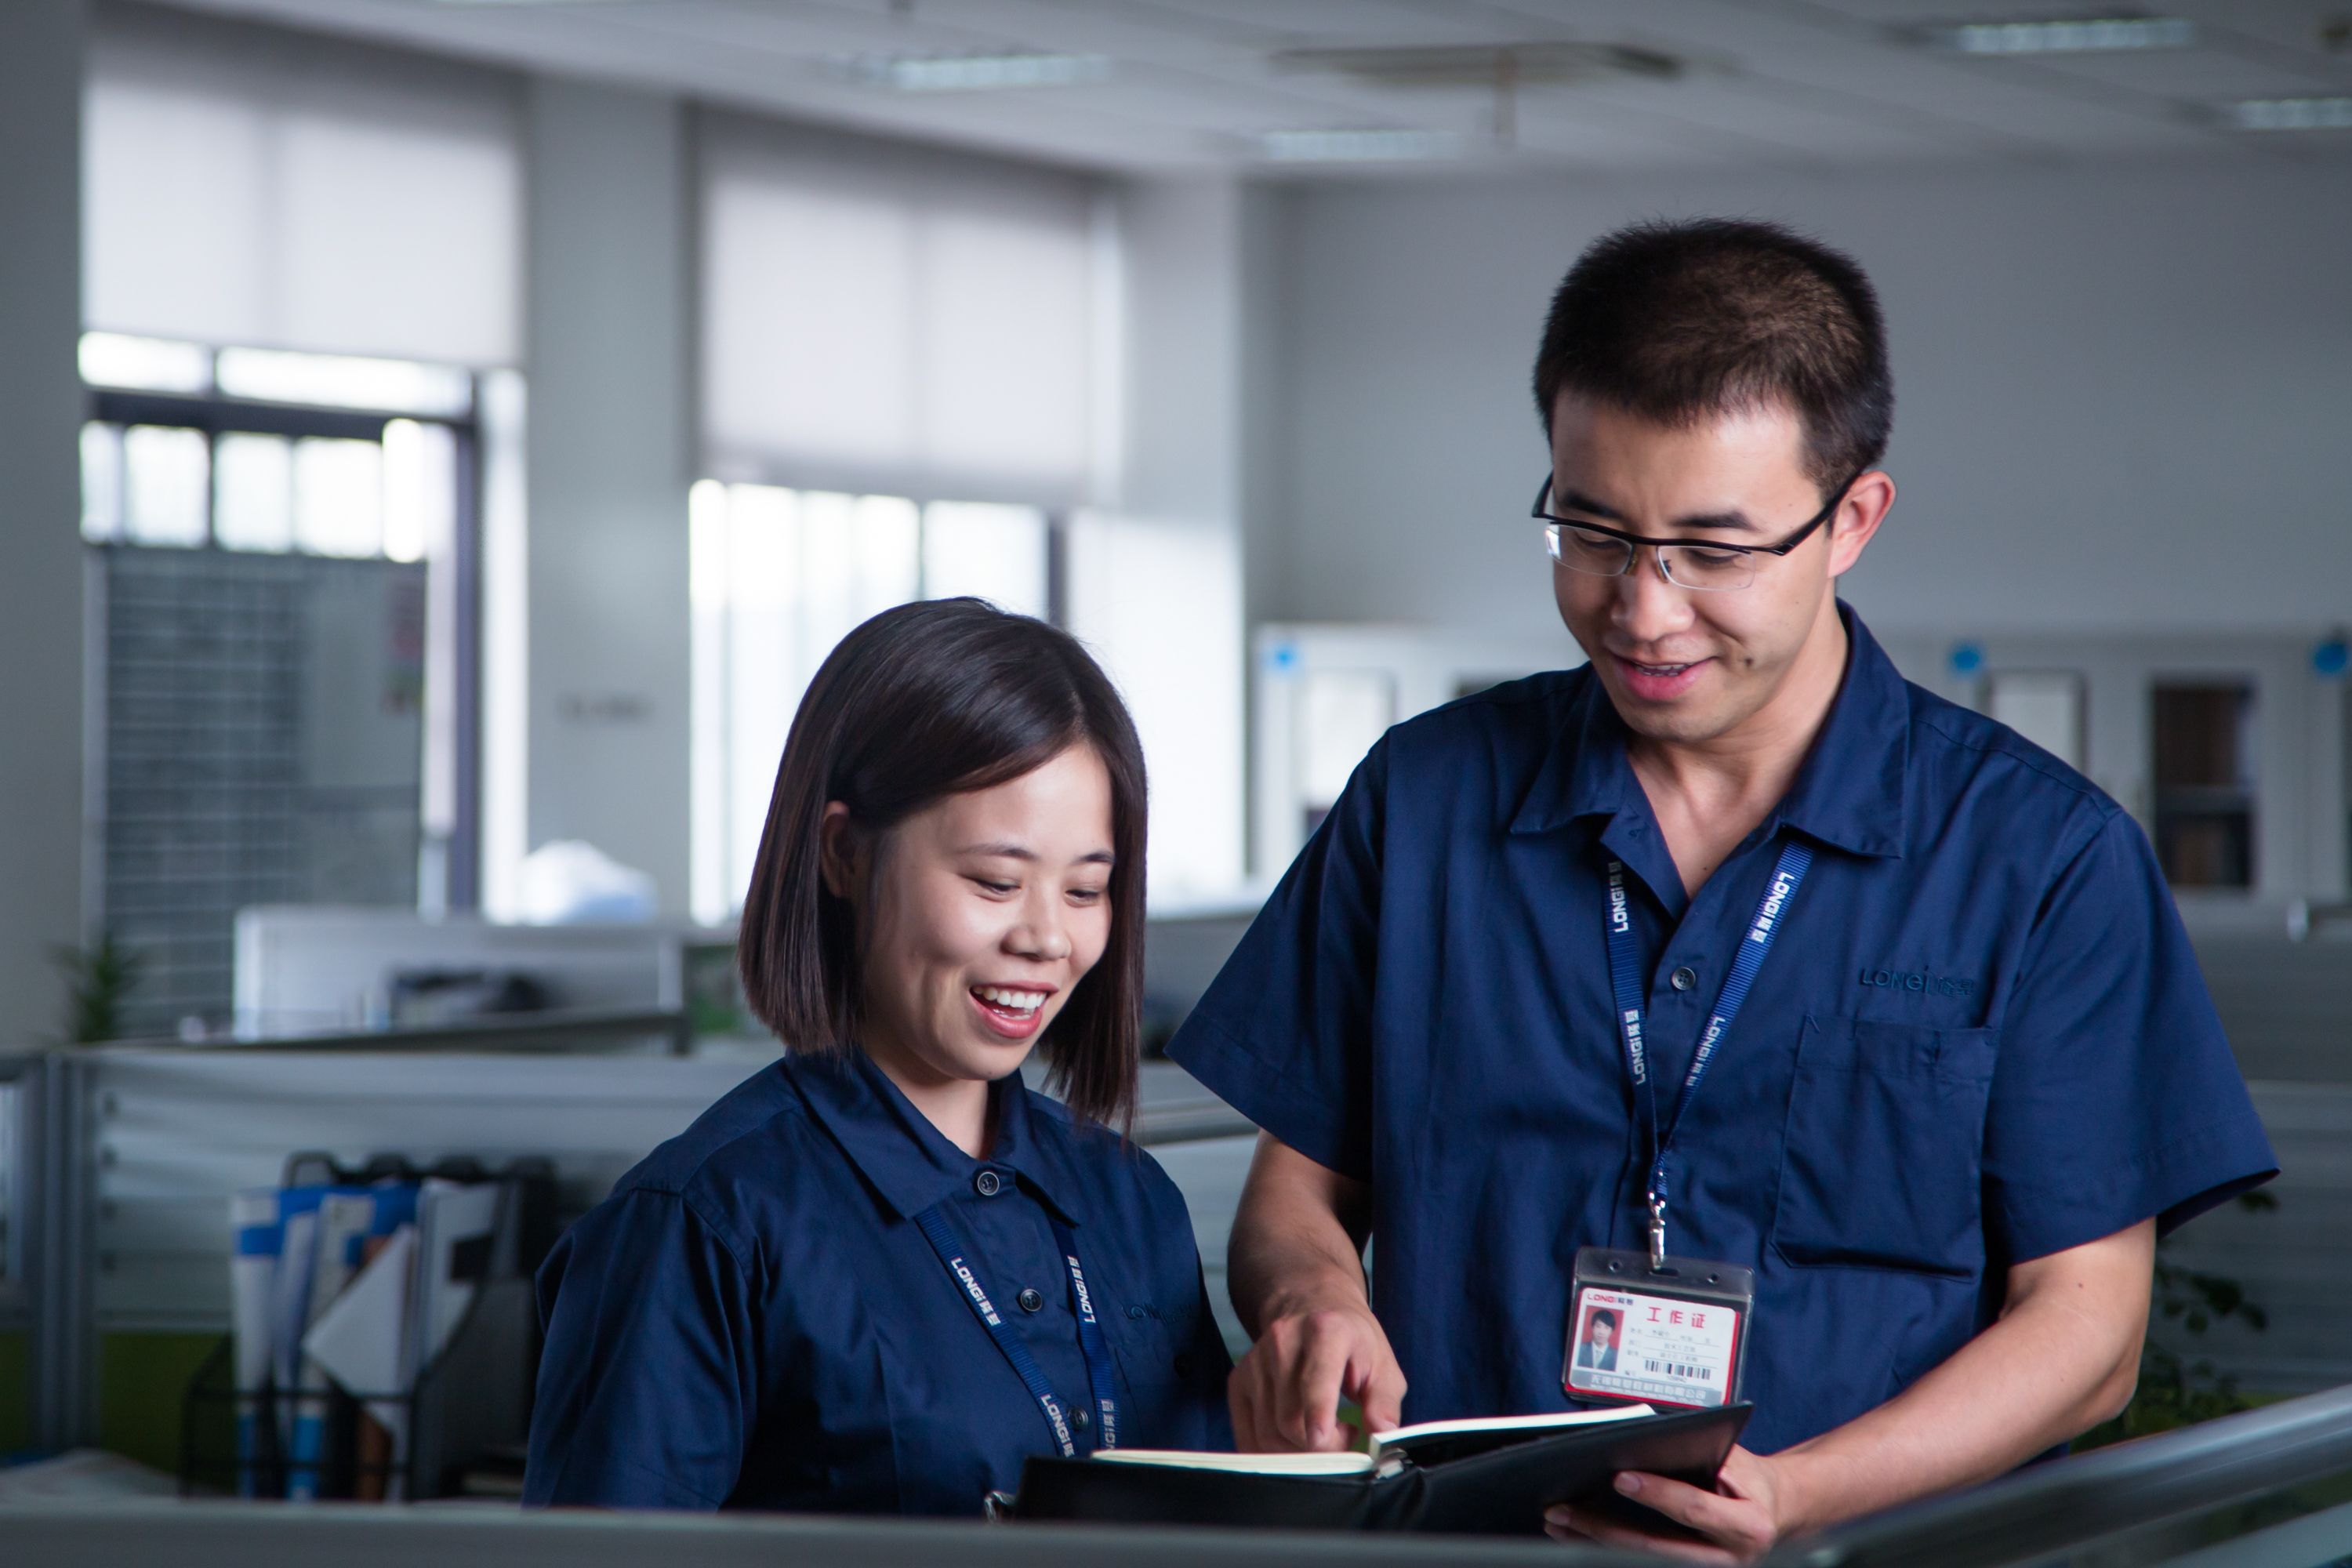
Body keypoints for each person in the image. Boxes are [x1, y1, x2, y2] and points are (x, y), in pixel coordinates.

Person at [1167, 219, 2275, 1559]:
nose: (1645, 607)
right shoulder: (1424, 805)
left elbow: (2088, 1330)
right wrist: (1312, 1305)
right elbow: (1295, 1198)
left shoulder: (2039, 862)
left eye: (1714, 547)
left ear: (1850, 519)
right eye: (1593, 531)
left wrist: (1797, 1499)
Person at [525, 598, 1232, 1513]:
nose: (1048, 937)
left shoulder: (1133, 1200)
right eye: (995, 880)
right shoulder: (702, 1226)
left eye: (1087, 887)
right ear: (845, 854)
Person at [1575, 1310, 1619, 1374]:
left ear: (1611, 1331)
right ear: (1592, 1327)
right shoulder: (1579, 1349)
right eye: (1598, 1326)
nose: (1601, 1332)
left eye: (1606, 1328)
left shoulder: (1616, 1356)